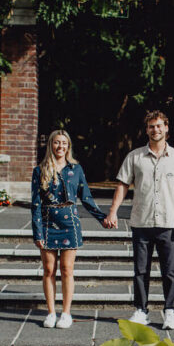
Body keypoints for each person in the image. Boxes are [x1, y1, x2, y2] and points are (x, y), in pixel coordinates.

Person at [103, 110, 174, 329]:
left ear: (166, 128)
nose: (156, 130)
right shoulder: (134, 157)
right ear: (147, 130)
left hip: (167, 223)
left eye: (159, 125)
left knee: (169, 271)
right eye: (152, 126)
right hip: (141, 223)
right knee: (140, 270)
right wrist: (113, 211)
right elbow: (123, 185)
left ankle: (170, 311)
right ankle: (141, 310)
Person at [30, 130, 108, 328]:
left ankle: (66, 313)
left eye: (64, 143)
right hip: (47, 223)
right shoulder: (39, 171)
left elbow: (87, 198)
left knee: (67, 269)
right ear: (51, 145)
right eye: (56, 143)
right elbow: (35, 204)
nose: (60, 147)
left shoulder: (76, 169)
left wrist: (103, 218)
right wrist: (37, 232)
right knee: (49, 270)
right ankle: (50, 313)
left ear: (68, 146)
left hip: (70, 223)